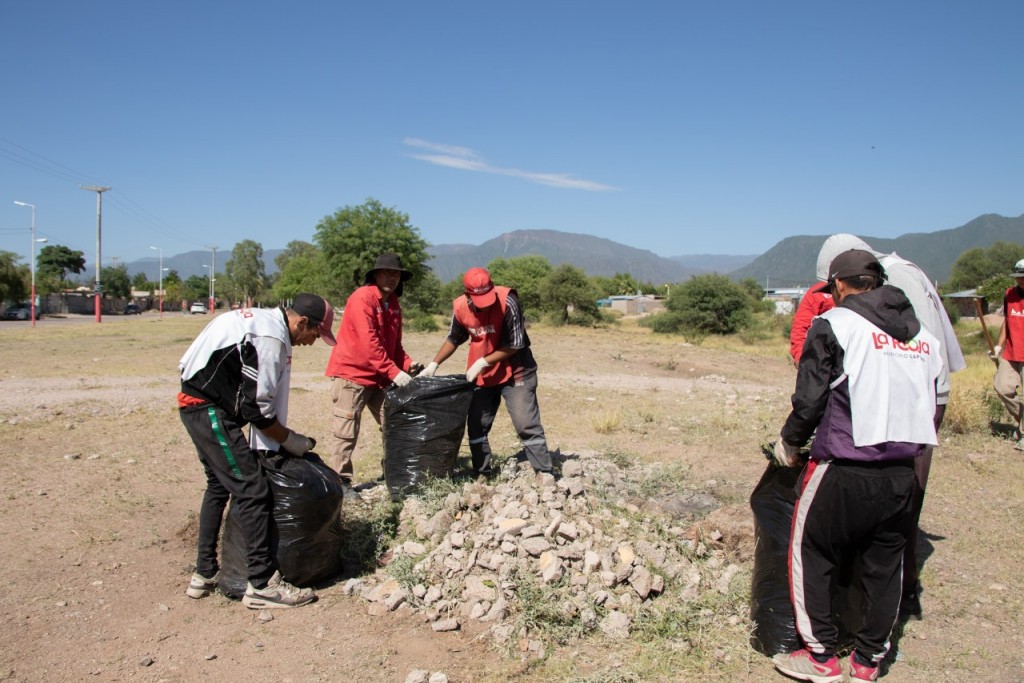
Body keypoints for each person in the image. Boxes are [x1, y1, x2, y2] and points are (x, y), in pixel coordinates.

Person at [770, 249, 942, 683]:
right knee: (885, 567)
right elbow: (935, 398)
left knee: (811, 552)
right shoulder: (924, 338)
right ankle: (867, 662)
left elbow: (810, 399)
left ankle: (821, 657)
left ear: (840, 285)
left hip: (844, 466)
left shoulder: (834, 325)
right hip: (904, 473)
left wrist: (790, 442)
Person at [808, 234, 966, 617]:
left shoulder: (899, 277)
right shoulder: (886, 276)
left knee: (900, 497)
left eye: (833, 288)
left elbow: (921, 346)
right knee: (888, 493)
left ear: (843, 279)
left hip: (917, 399)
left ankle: (902, 590)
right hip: (905, 395)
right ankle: (872, 589)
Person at [178, 293, 336, 609]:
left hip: (198, 404)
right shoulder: (270, 337)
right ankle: (261, 585)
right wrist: (291, 440)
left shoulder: (261, 321)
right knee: (253, 489)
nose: (312, 342)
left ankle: (204, 574)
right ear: (302, 322)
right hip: (208, 409)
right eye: (315, 334)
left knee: (218, 486)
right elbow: (257, 410)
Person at [421, 267, 552, 478]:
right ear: (467, 295)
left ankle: (545, 474)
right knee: (476, 425)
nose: (486, 305)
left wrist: (482, 361)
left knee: (525, 422)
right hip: (484, 375)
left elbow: (516, 344)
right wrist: (434, 364)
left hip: (517, 369)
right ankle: (483, 473)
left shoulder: (507, 301)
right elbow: (454, 338)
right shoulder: (461, 307)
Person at [325, 253, 421, 500]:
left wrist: (408, 364)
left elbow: (394, 346)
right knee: (345, 431)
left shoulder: (394, 303)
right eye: (387, 272)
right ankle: (341, 483)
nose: (392, 277)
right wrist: (394, 372)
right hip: (352, 375)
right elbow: (370, 344)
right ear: (375, 275)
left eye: (396, 273)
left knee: (393, 423)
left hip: (379, 376)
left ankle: (393, 471)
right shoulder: (362, 299)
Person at [992, 258, 1024, 450]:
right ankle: (1021, 422)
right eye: (1018, 277)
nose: (1020, 280)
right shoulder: (1009, 294)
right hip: (1011, 353)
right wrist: (998, 345)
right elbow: (1007, 320)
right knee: (1002, 388)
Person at [789, 281, 834, 366]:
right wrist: (800, 355)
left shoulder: (865, 290)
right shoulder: (820, 292)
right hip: (825, 360)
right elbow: (801, 325)